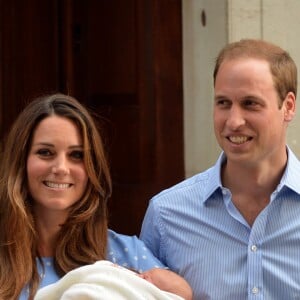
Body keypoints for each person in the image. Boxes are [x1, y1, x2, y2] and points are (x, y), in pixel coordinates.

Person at [140, 38, 300, 299]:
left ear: (288, 107)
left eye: (250, 103)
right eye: (223, 103)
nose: (234, 121)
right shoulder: (166, 216)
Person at [0, 93, 192, 300]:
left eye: (77, 155)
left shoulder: (128, 254)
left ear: (93, 168)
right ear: (21, 161)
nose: (61, 168)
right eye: (45, 152)